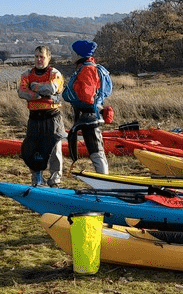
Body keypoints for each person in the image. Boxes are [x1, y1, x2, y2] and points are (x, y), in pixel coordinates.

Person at [17, 45, 66, 186]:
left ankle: (55, 180)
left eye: (42, 56)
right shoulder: (26, 74)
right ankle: (37, 179)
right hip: (34, 118)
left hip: (52, 117)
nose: (38, 59)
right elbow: (22, 92)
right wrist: (39, 94)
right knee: (33, 148)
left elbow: (51, 88)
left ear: (48, 58)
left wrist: (33, 86)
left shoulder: (55, 73)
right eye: (36, 56)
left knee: (55, 148)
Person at [62, 39, 113, 174]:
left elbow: (87, 96)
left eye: (73, 52)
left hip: (89, 115)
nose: (71, 55)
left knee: (95, 149)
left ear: (79, 55)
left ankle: (104, 180)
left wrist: (73, 89)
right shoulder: (88, 67)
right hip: (90, 113)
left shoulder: (87, 69)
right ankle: (103, 177)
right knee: (95, 148)